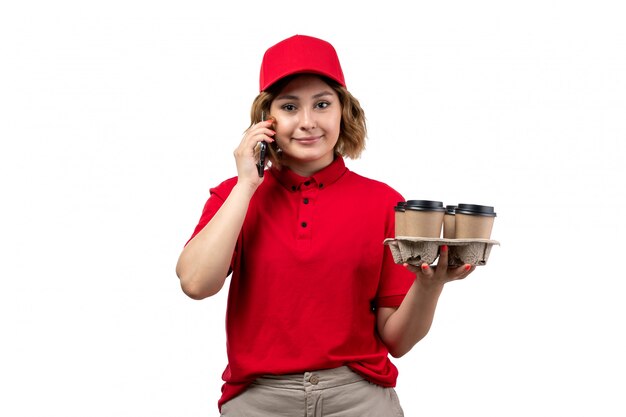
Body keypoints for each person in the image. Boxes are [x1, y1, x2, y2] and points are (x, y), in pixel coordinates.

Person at [176, 34, 476, 416]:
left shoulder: (385, 202)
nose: (307, 122)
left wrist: (429, 286)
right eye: (289, 106)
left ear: (342, 112)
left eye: (322, 104)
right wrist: (247, 183)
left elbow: (397, 340)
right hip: (258, 400)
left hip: (360, 398)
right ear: (266, 120)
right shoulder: (233, 197)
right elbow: (196, 284)